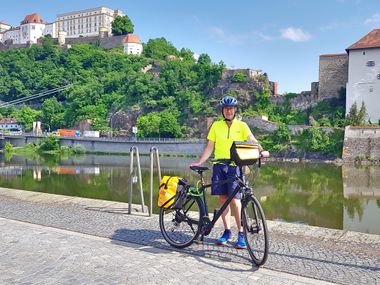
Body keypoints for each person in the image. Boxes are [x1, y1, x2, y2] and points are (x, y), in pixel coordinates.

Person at [189, 95, 264, 249]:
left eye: (231, 108)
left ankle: (241, 234)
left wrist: (261, 151)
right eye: (226, 109)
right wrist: (200, 162)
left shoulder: (242, 126)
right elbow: (210, 147)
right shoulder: (216, 126)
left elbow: (252, 139)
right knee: (223, 200)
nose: (229, 111)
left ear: (235, 110)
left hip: (235, 166)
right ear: (222, 111)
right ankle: (227, 231)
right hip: (219, 166)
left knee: (236, 201)